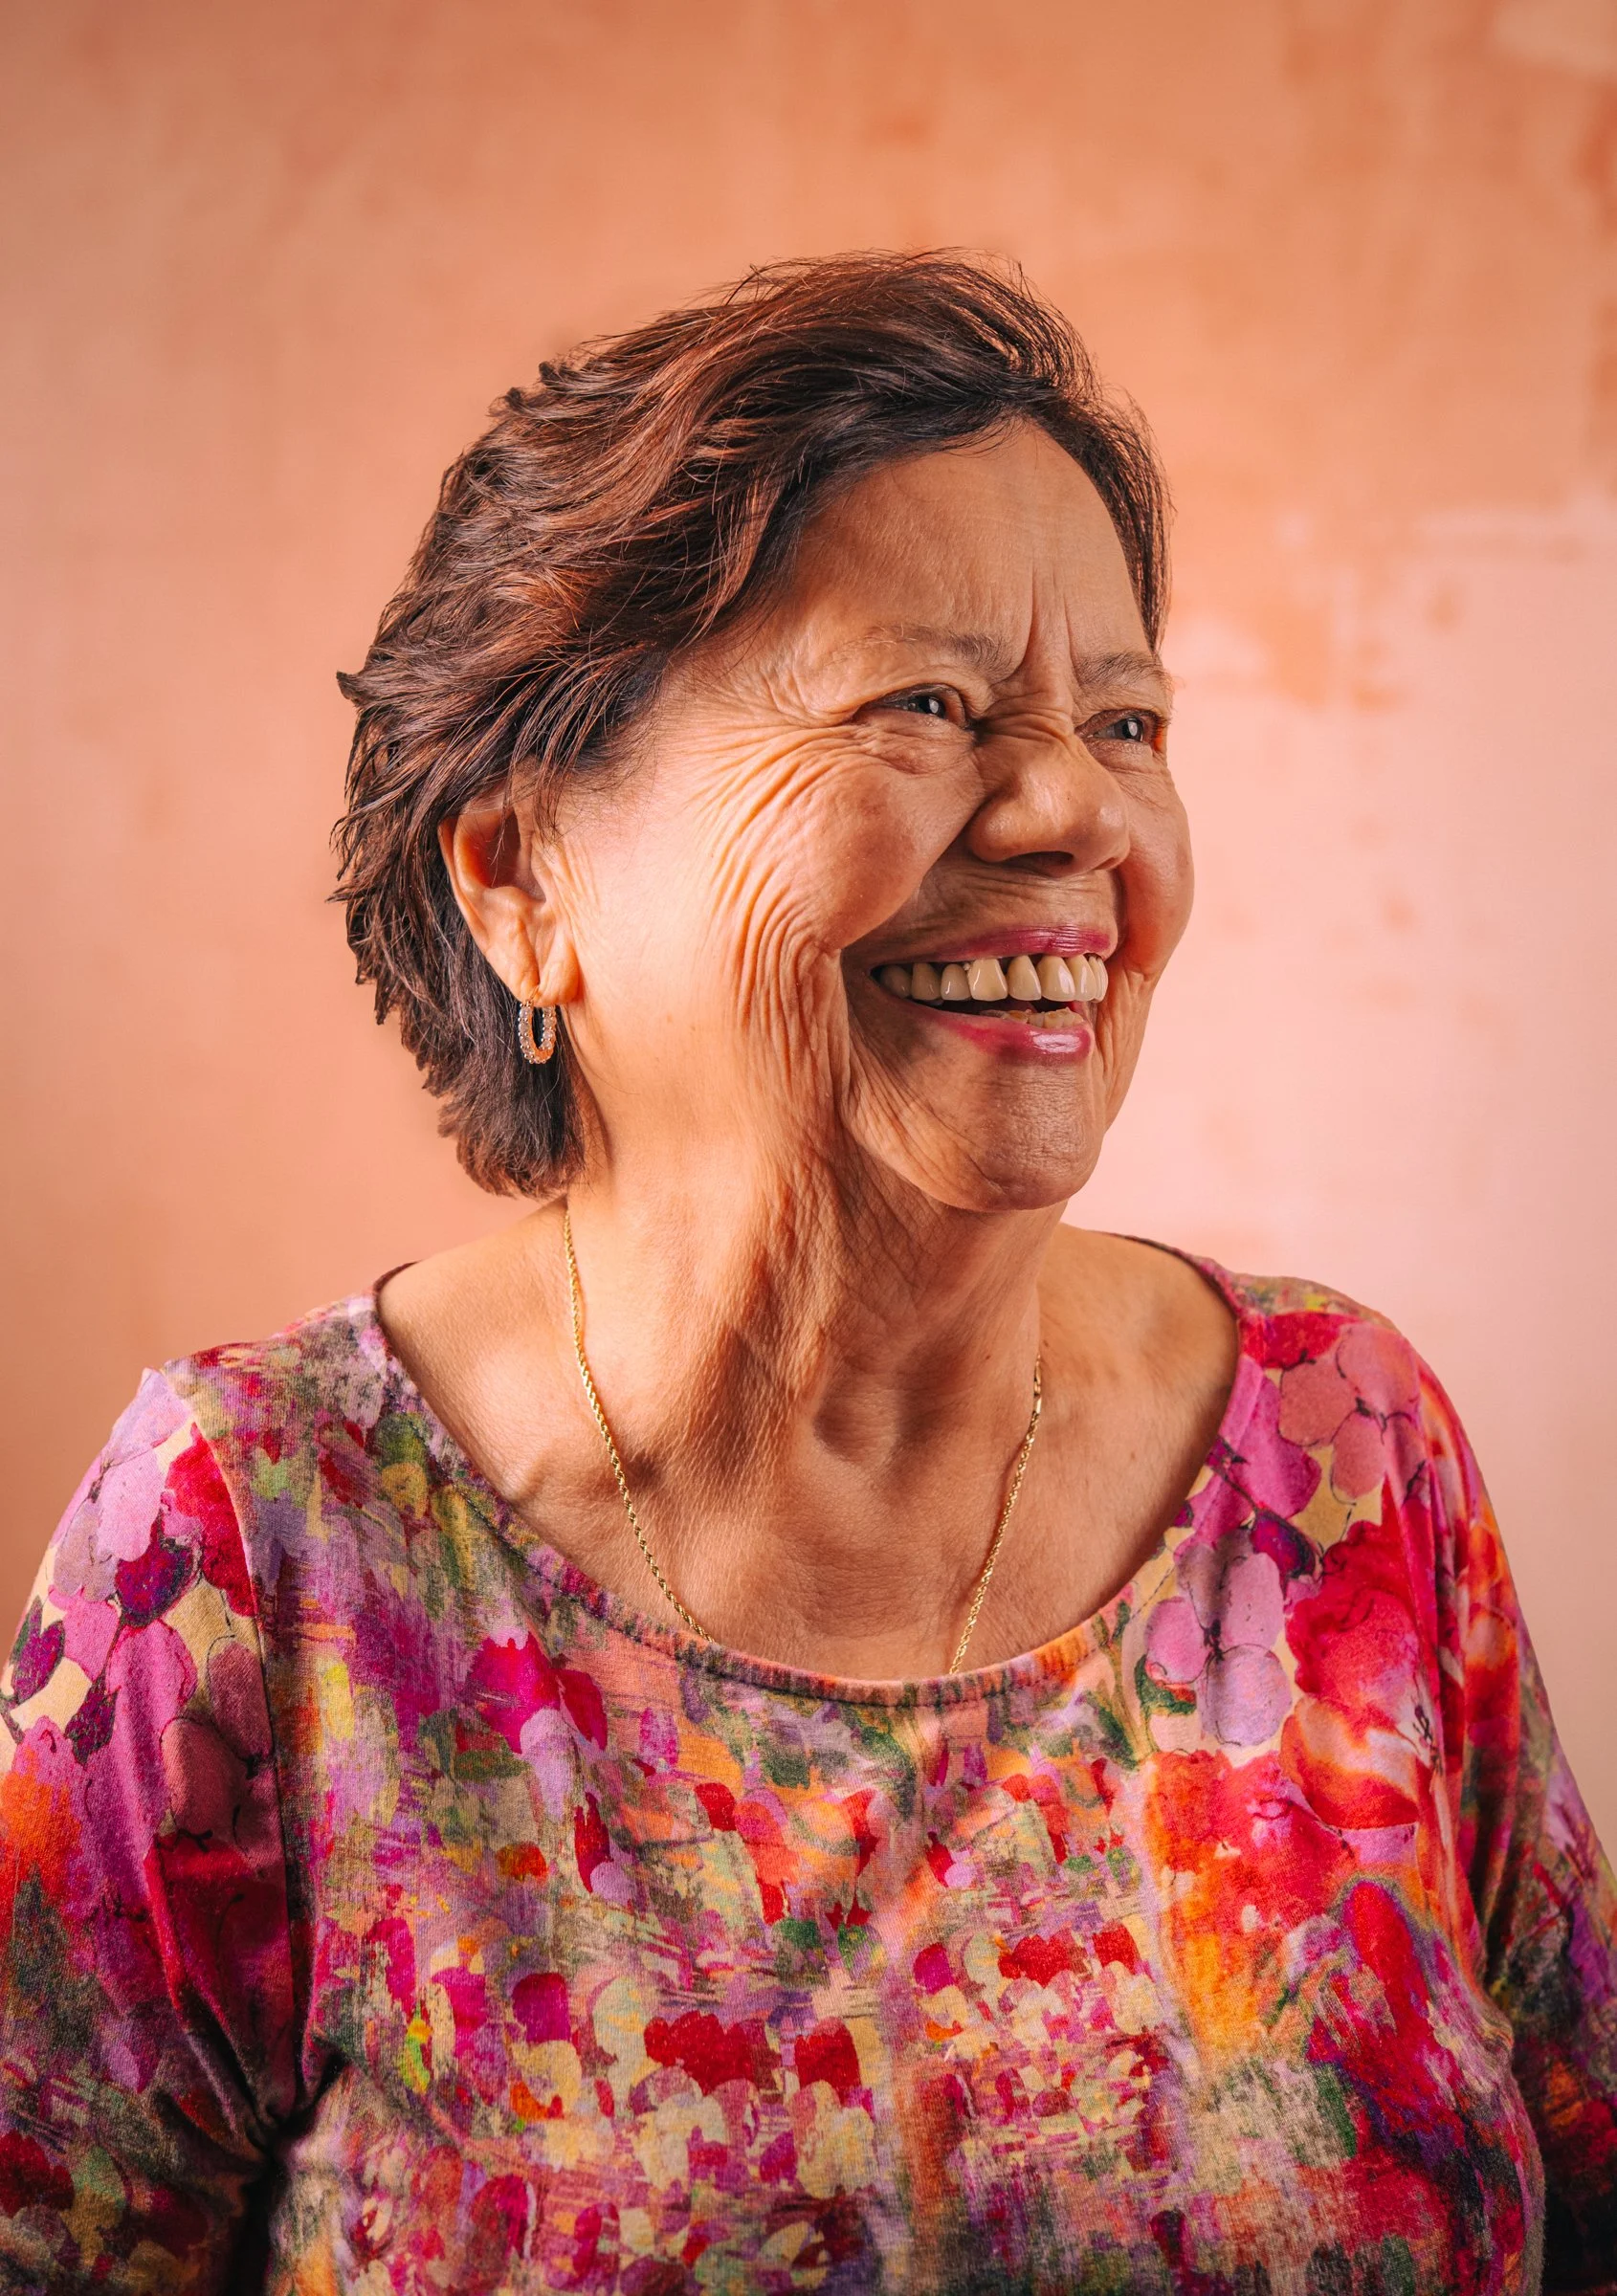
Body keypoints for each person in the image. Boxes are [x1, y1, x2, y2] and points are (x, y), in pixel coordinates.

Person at [1, 254, 1611, 2293]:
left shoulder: (1335, 1456)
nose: (1068, 810)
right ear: (519, 875)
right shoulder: (254, 1546)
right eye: (924, 705)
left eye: (1123, 719)